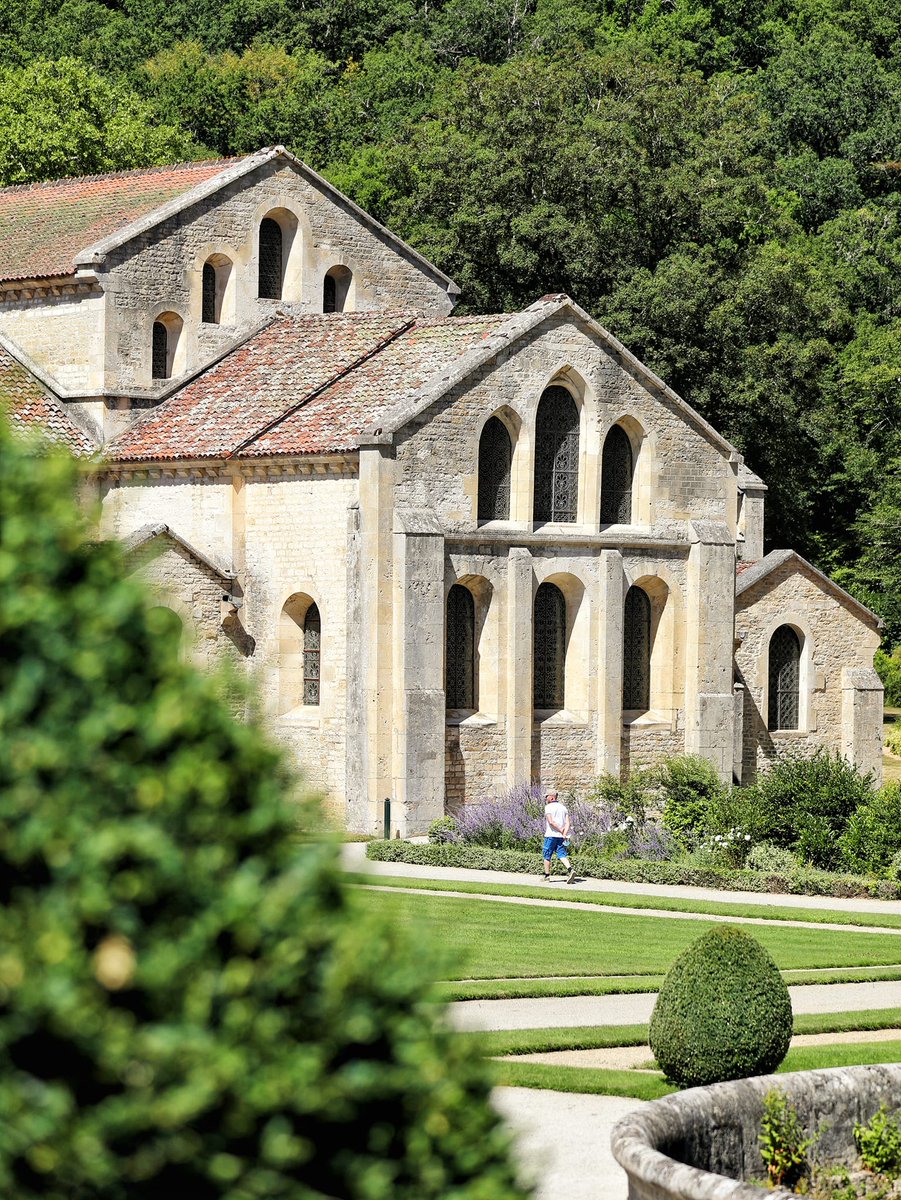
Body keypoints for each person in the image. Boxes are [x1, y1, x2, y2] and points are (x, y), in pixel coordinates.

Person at [542, 790, 576, 883]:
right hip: (561, 837)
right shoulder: (563, 808)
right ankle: (570, 870)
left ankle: (547, 876)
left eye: (547, 796)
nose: (546, 798)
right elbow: (568, 822)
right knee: (561, 854)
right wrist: (564, 833)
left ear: (552, 797)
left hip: (550, 835)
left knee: (547, 854)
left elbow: (551, 822)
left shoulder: (548, 807)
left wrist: (561, 830)